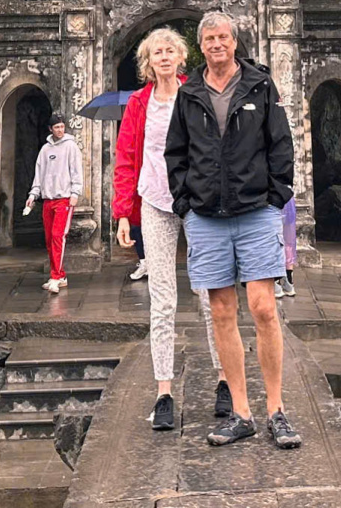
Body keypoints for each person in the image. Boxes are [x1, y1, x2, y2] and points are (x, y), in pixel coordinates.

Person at [165, 11, 301, 450]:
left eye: (223, 37)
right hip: (206, 217)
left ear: (234, 42)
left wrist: (277, 195)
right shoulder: (189, 93)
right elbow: (176, 153)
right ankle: (240, 412)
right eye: (209, 39)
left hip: (256, 211)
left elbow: (280, 141)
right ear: (201, 46)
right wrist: (185, 203)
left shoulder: (259, 86)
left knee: (263, 308)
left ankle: (276, 410)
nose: (217, 45)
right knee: (221, 312)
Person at [113, 26, 227, 432]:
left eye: (169, 50)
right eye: (155, 52)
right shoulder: (139, 104)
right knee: (162, 301)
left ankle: (224, 379)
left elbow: (214, 147)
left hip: (195, 203)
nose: (163, 57)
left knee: (208, 293)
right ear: (148, 62)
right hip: (155, 203)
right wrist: (124, 212)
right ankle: (163, 390)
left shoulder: (195, 95)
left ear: (181, 58)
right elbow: (126, 157)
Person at [23, 114, 82, 294]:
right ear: (50, 129)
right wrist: (33, 195)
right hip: (48, 199)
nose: (60, 130)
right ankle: (60, 274)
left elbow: (76, 171)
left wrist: (75, 193)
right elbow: (39, 175)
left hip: (64, 198)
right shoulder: (45, 150)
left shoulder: (71, 146)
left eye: (62, 127)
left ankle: (55, 276)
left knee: (58, 236)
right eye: (56, 127)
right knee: (49, 239)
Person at [278, 190, 298, 296]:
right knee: (288, 242)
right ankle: (289, 281)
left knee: (274, 241)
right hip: (288, 200)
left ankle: (275, 280)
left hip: (273, 201)